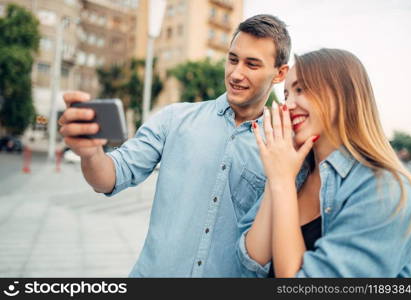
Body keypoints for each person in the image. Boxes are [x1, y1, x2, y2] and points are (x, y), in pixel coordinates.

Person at [58, 14, 291, 277]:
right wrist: (91, 154)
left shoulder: (283, 148)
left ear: (280, 73)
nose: (236, 73)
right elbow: (108, 178)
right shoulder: (174, 119)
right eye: (232, 59)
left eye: (252, 64)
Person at [240, 48, 411, 277]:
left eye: (301, 89)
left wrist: (282, 182)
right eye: (286, 95)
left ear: (343, 95)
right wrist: (278, 177)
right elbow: (250, 263)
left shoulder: (386, 189)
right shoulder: (295, 170)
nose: (288, 105)